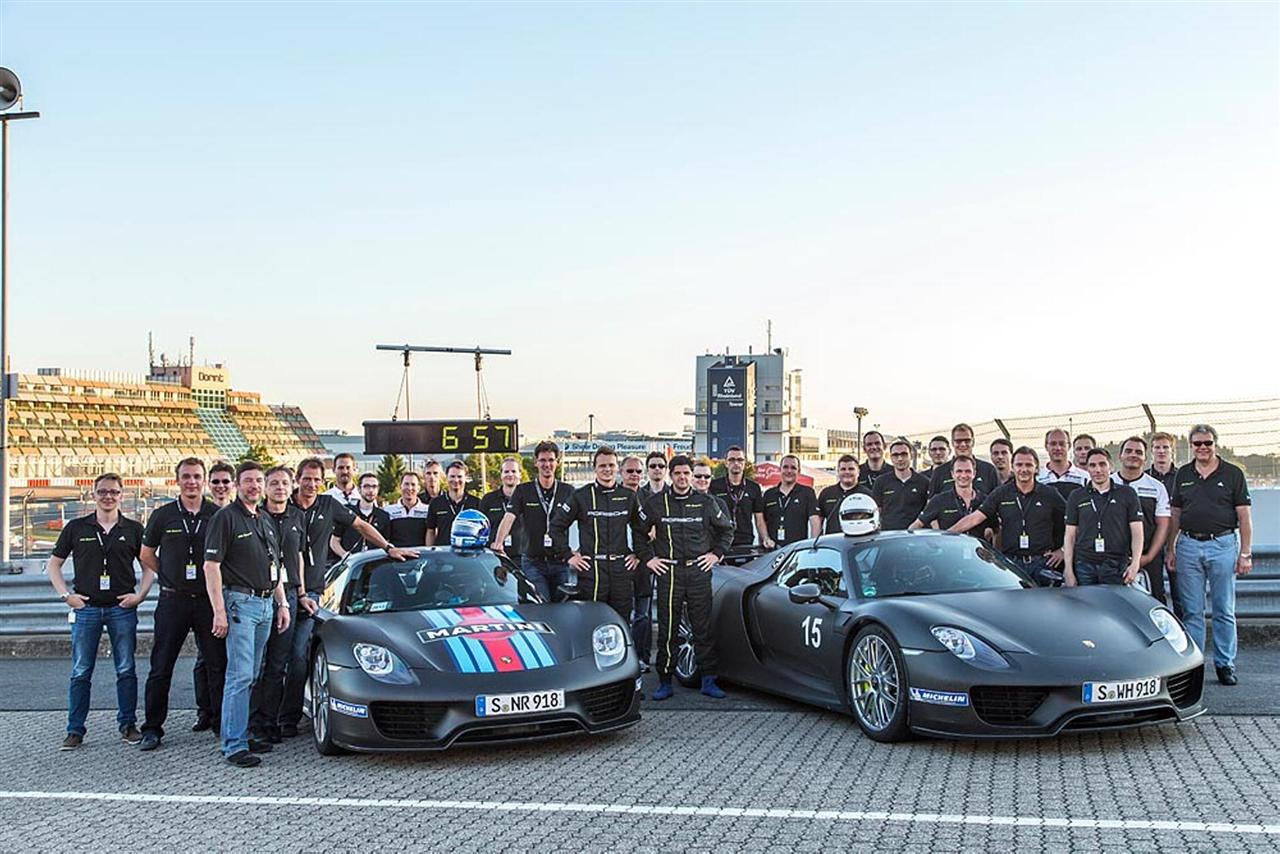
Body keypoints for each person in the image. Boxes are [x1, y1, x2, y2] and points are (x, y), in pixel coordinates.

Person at [281, 458, 411, 737]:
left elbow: (361, 526)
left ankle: (288, 718)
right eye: (307, 478)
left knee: (299, 655)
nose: (311, 484)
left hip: (314, 592)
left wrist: (388, 547)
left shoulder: (328, 505)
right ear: (298, 478)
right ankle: (267, 720)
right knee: (275, 658)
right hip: (283, 591)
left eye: (317, 479)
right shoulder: (284, 506)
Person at [47, 472, 146, 750]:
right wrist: (66, 595)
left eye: (113, 492)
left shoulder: (133, 528)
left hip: (121, 608)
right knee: (81, 671)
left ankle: (127, 725)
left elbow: (150, 563)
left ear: (121, 495)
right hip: (86, 608)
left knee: (126, 669)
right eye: (103, 491)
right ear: (94, 494)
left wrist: (141, 594)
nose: (108, 496)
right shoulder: (77, 528)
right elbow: (53, 564)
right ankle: (75, 730)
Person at [203, 461, 291, 768]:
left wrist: (282, 604)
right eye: (248, 481)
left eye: (258, 481)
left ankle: (241, 732)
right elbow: (211, 567)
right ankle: (233, 745)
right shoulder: (225, 518)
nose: (254, 486)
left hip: (266, 603)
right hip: (240, 604)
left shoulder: (264, 519)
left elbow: (275, 567)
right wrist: (219, 612)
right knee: (239, 676)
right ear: (238, 485)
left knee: (252, 674)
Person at [138, 458, 222, 751]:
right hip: (172, 599)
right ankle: (152, 728)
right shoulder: (163, 515)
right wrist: (168, 574)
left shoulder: (217, 514)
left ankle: (218, 720)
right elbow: (146, 554)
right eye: (186, 476)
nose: (191, 481)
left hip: (207, 601)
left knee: (216, 664)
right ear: (177, 480)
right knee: (161, 666)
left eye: (197, 476)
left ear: (204, 481)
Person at [634, 455, 734, 701]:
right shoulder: (656, 503)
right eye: (677, 473)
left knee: (703, 626)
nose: (682, 477)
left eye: (686, 473)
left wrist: (716, 555)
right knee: (668, 628)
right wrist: (649, 558)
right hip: (669, 572)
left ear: (692, 475)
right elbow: (638, 531)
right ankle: (665, 681)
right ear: (670, 475)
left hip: (698, 571)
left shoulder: (706, 502)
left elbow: (726, 530)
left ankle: (709, 679)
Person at [1167, 424, 1253, 685]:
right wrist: (1171, 548)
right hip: (1189, 547)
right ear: (1190, 446)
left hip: (1223, 545)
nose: (1202, 448)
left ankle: (1225, 664)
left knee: (1224, 609)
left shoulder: (1233, 473)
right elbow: (1176, 515)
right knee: (1192, 611)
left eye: (1207, 443)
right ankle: (1194, 666)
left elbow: (1244, 517)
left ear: (1215, 444)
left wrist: (1245, 554)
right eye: (1197, 444)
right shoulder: (1183, 474)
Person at [950, 447, 1066, 585]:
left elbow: (1073, 521)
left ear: (1036, 468)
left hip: (1042, 563)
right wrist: (946, 534)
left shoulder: (1049, 493)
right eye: (1019, 465)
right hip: (1011, 564)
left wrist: (1062, 550)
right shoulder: (1001, 493)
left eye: (1028, 465)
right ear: (1013, 467)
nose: (1023, 469)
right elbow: (975, 517)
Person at [551, 446, 642, 620]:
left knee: (621, 621)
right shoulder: (581, 495)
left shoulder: (628, 496)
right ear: (595, 469)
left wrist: (638, 554)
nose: (607, 469)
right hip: (591, 571)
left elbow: (642, 529)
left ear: (617, 468)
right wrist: (568, 556)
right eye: (602, 466)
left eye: (611, 465)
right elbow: (556, 527)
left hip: (620, 571)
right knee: (592, 621)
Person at [248, 466, 304, 747]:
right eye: (274, 483)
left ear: (291, 486)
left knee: (278, 663)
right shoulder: (256, 517)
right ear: (265, 488)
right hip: (259, 595)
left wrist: (302, 592)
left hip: (289, 596)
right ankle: (253, 722)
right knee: (256, 663)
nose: (280, 487)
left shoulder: (297, 516)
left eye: (284, 483)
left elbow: (299, 557)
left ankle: (270, 721)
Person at [493, 441, 576, 602]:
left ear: (557, 463)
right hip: (533, 563)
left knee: (563, 607)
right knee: (541, 604)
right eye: (543, 460)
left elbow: (583, 521)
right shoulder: (524, 490)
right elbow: (509, 517)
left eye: (551, 460)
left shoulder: (568, 491)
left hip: (561, 562)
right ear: (536, 462)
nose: (547, 464)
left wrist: (579, 550)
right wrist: (498, 542)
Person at [192, 460, 236, 732]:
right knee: (205, 658)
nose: (221, 487)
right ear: (210, 485)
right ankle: (205, 710)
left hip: (238, 592)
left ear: (233, 485)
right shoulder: (205, 514)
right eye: (216, 482)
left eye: (225, 482)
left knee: (228, 659)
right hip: (207, 595)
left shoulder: (242, 512)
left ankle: (223, 714)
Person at [1063, 448, 1143, 588]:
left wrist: (1135, 563)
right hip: (1084, 566)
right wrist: (1068, 570)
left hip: (1116, 565)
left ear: (1110, 466)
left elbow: (1137, 532)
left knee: (1114, 608)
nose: (1098, 470)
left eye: (1102, 464)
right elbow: (1070, 535)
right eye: (1092, 465)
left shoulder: (1127, 494)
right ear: (1087, 468)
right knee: (1086, 608)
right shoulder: (1076, 496)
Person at [1113, 436, 1172, 603]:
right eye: (1129, 451)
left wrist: (1148, 556)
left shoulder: (1156, 487)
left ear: (1145, 458)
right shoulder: (1108, 483)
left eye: (1139, 452)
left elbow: (1163, 525)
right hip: (1111, 558)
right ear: (1120, 456)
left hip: (1148, 558)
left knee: (1153, 602)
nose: (1133, 455)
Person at [708, 445, 768, 548]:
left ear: (745, 464)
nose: (736, 463)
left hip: (746, 540)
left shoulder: (754, 487)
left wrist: (765, 538)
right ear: (726, 463)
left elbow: (759, 519)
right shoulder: (714, 486)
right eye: (732, 460)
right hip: (721, 541)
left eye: (740, 460)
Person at [910, 455, 986, 536]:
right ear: (952, 474)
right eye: (959, 471)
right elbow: (916, 525)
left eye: (968, 471)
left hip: (976, 548)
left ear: (974, 473)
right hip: (949, 548)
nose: (963, 475)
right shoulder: (939, 500)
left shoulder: (985, 500)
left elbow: (995, 529)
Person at [870, 439, 931, 531]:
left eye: (904, 454)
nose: (900, 459)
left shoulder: (924, 482)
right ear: (890, 457)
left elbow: (929, 511)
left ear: (911, 456)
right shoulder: (881, 482)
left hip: (916, 535)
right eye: (895, 455)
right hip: (889, 535)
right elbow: (877, 511)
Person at [330, 472, 393, 560]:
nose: (371, 490)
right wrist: (345, 555)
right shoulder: (347, 512)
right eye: (366, 486)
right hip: (350, 565)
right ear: (359, 489)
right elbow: (334, 541)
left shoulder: (384, 516)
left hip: (374, 564)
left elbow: (386, 542)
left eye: (374, 486)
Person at [927, 424, 1001, 498]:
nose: (963, 444)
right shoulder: (939, 472)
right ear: (952, 443)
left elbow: (998, 500)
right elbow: (932, 504)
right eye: (958, 441)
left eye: (967, 440)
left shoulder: (989, 470)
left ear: (973, 442)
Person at [761, 455, 820, 546]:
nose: (789, 471)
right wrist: (765, 539)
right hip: (772, 550)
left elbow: (815, 521)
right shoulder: (769, 494)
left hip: (796, 551)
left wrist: (813, 545)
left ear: (799, 471)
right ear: (780, 469)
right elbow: (761, 521)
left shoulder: (807, 493)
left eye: (793, 468)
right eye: (785, 467)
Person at [425, 460, 481, 546]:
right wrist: (430, 552)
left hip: (469, 554)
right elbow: (430, 531)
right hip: (444, 553)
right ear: (446, 477)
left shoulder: (475, 503)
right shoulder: (436, 503)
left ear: (466, 478)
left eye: (459, 476)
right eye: (452, 476)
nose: (456, 480)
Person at [480, 457, 524, 559]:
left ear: (520, 474)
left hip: (523, 559)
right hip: (495, 556)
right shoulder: (488, 500)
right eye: (506, 471)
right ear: (501, 475)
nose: (510, 474)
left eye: (514, 471)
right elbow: (480, 529)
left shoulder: (528, 498)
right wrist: (490, 543)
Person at [818, 455, 871, 533]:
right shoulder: (826, 493)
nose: (847, 472)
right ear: (838, 471)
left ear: (858, 472)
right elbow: (819, 521)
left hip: (859, 541)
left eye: (851, 469)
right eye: (843, 469)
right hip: (832, 542)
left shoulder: (867, 495)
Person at [1038, 428, 1089, 501]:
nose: (1058, 448)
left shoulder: (1085, 478)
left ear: (1069, 446)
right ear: (1046, 446)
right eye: (1053, 444)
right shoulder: (1037, 478)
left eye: (1062, 444)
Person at [385, 472, 431, 547]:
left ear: (419, 488)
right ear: (400, 487)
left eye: (413, 484)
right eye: (406, 484)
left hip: (421, 556)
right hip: (396, 556)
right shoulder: (388, 510)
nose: (409, 488)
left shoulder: (428, 510)